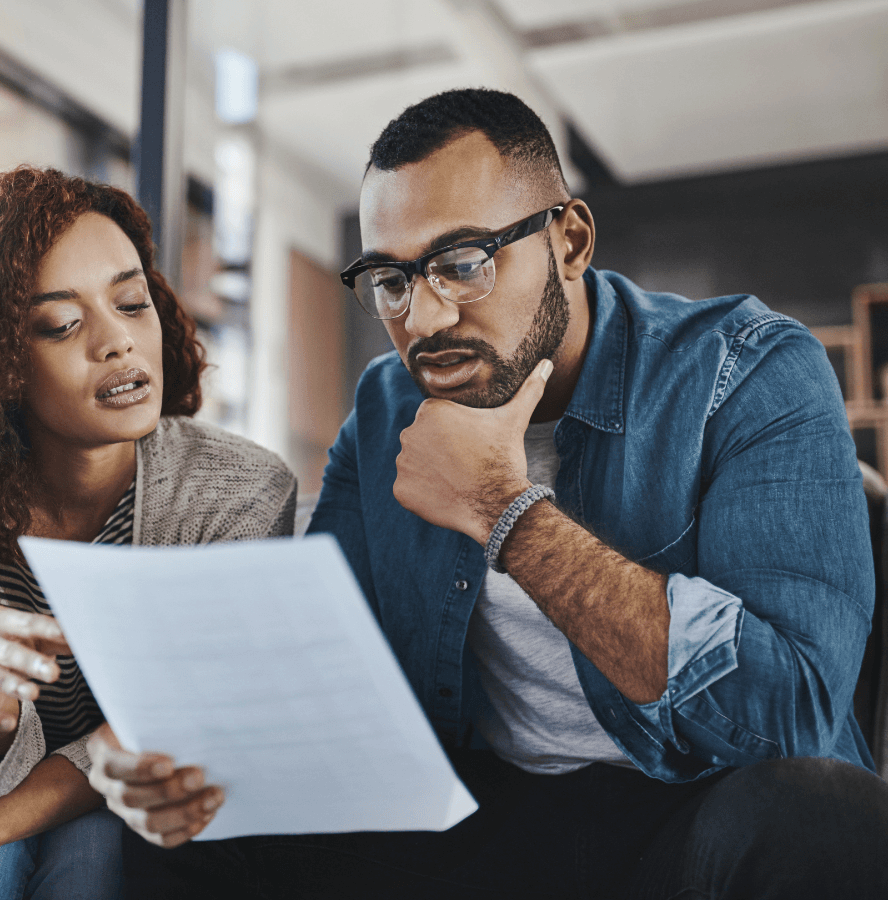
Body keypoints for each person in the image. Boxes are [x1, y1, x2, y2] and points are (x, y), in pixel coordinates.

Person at [85, 89, 888, 898]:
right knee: (190, 826)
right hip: (485, 814)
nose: (424, 317)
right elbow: (331, 665)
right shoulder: (385, 408)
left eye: (463, 263)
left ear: (569, 241)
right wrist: (186, 754)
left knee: (819, 817)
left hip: (687, 810)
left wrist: (506, 512)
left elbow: (791, 715)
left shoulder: (748, 371)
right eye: (390, 279)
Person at [0, 166, 297, 900]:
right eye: (61, 324)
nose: (117, 344)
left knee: (94, 852)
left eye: (133, 303)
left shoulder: (239, 493)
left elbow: (178, 719)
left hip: (122, 791)